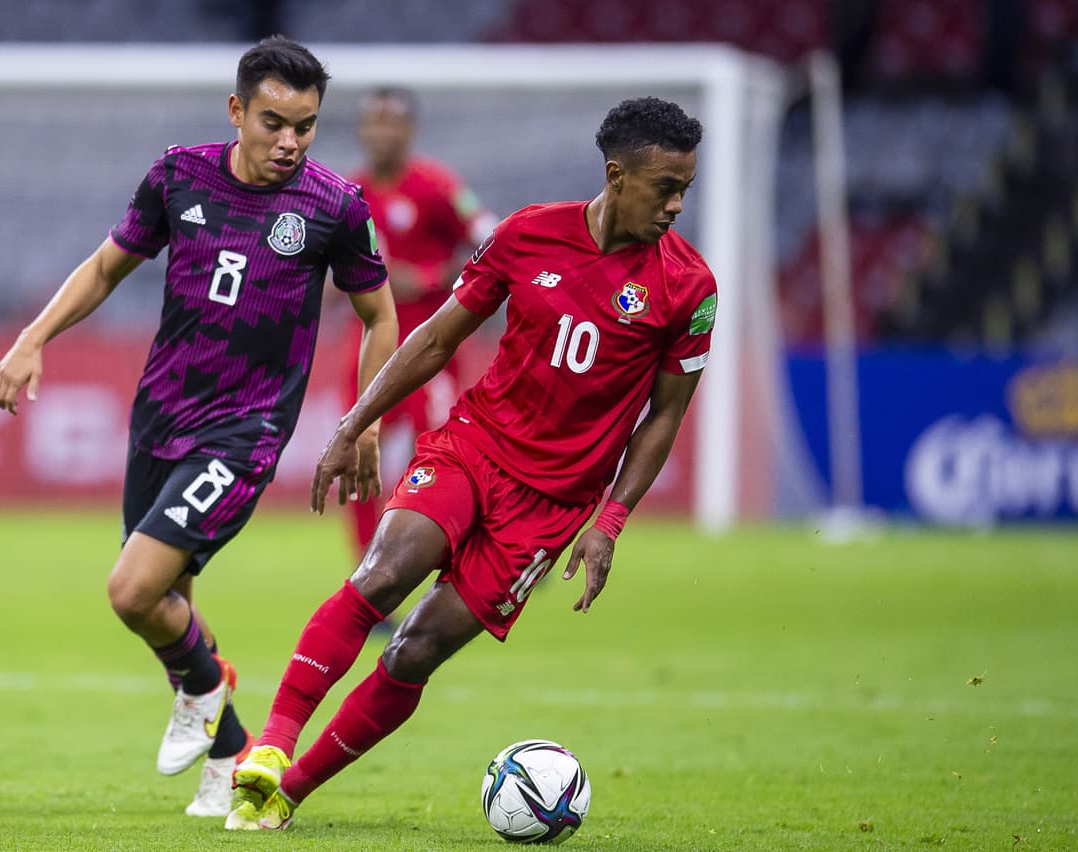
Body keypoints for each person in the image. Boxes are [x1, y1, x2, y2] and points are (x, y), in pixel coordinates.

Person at [225, 96, 716, 832]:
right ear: (617, 175)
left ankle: (287, 793)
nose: (677, 204)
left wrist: (610, 520)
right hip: (473, 446)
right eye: (665, 187)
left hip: (551, 508)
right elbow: (436, 337)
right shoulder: (527, 235)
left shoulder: (690, 287)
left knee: (416, 651)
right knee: (382, 575)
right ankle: (270, 747)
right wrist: (355, 422)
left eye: (686, 189)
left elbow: (666, 413)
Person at [0, 36, 397, 818]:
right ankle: (229, 751)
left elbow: (382, 315)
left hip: (247, 429)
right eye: (274, 122)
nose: (289, 142)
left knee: (132, 591)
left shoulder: (334, 206)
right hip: (161, 415)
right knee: (169, 601)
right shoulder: (179, 175)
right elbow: (107, 266)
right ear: (237, 111)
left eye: (305, 127)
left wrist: (365, 424)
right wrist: (32, 339)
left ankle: (205, 689)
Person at [342, 87, 498, 567]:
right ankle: (368, 568)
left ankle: (475, 549)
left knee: (443, 454)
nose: (382, 131)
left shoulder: (437, 187)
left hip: (432, 343)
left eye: (392, 121)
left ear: (409, 130)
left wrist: (427, 279)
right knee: (354, 448)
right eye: (374, 121)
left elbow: (491, 242)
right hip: (370, 343)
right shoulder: (349, 192)